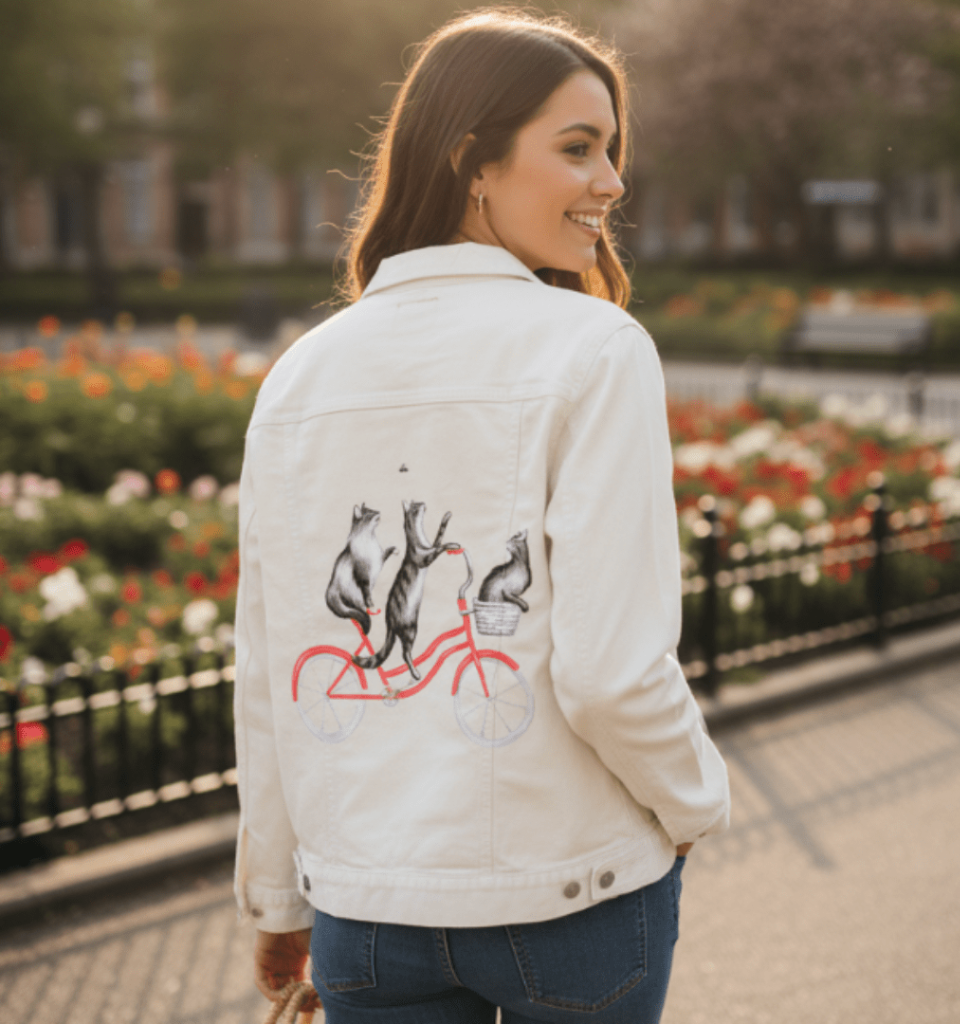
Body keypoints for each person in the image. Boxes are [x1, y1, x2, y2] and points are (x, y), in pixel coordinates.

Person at [234, 8, 730, 1023]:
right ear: (473, 161)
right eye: (578, 148)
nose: (612, 182)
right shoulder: (594, 348)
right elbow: (611, 672)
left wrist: (277, 897)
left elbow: (271, 672)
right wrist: (694, 802)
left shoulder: (299, 375)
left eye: (613, 151)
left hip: (368, 914)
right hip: (574, 894)